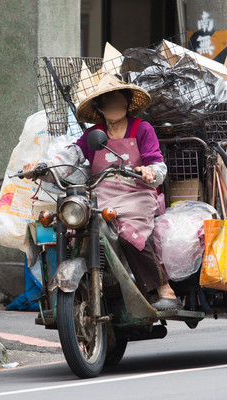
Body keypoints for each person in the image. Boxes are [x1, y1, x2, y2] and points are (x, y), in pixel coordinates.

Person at [23, 73, 182, 311]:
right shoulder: (92, 135)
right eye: (107, 101)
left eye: (118, 100)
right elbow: (70, 157)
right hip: (101, 192)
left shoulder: (142, 129)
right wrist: (42, 168)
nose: (113, 105)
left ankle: (164, 288)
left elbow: (157, 163)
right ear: (99, 108)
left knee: (128, 233)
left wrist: (151, 172)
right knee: (76, 227)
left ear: (127, 102)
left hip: (136, 194)